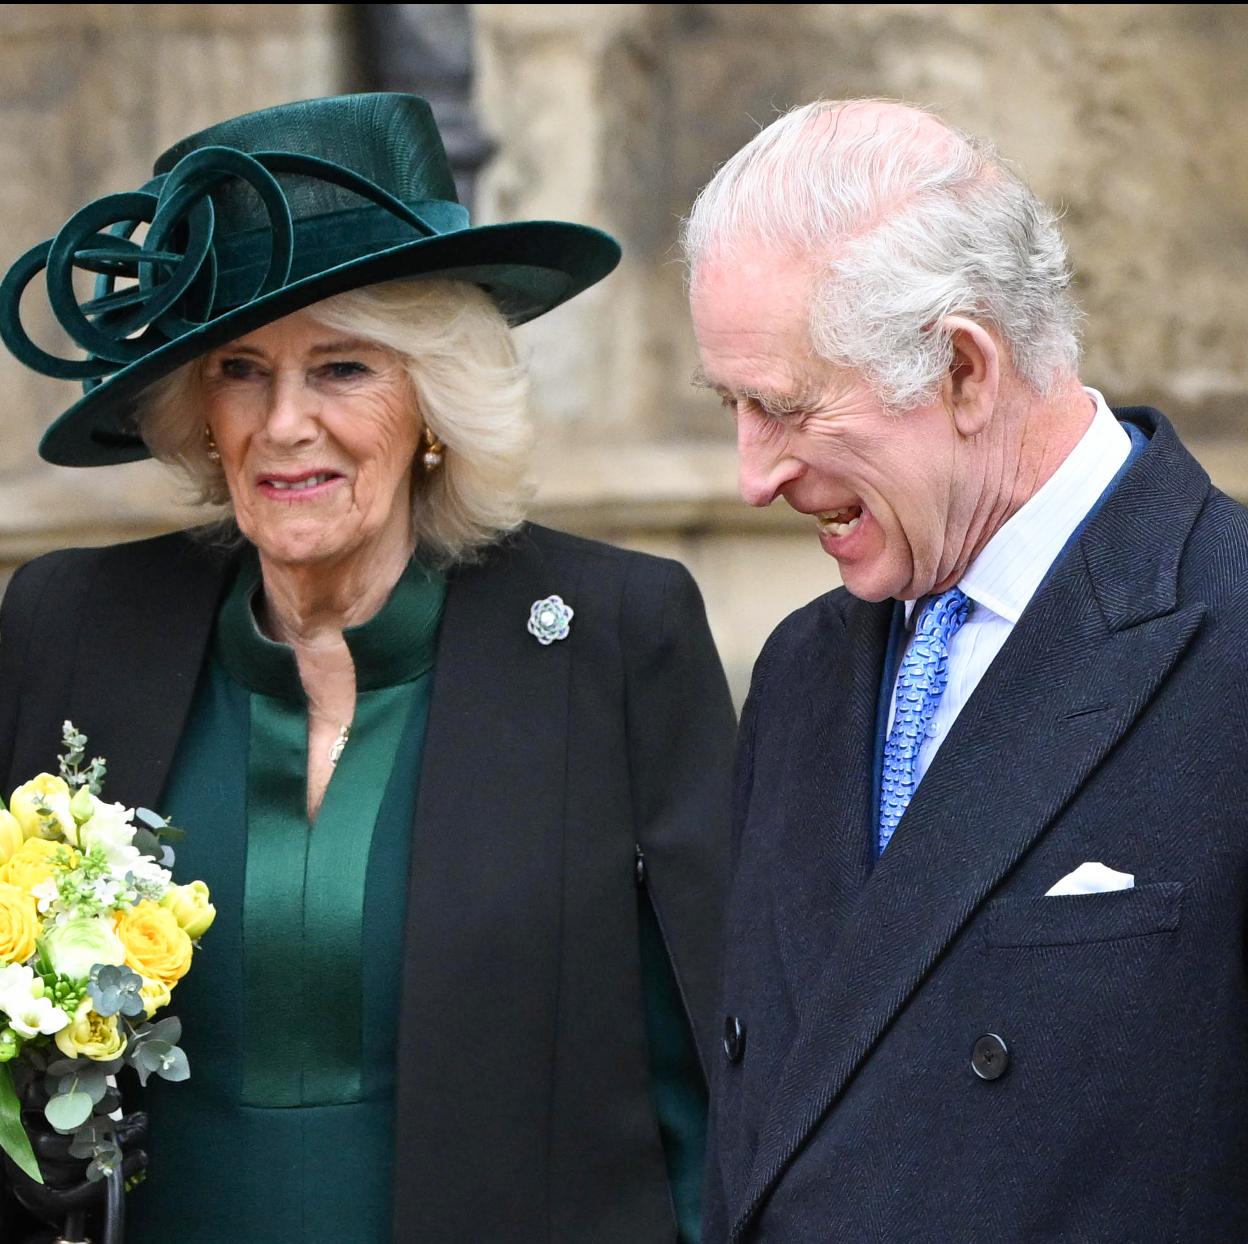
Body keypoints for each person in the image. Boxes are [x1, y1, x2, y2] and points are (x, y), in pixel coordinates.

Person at [0, 93, 734, 1243]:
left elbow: (707, 1074)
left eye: (342, 368)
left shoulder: (616, 634)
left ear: (433, 404)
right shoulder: (72, 624)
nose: (286, 421)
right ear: (199, 414)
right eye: (243, 370)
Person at [683, 98, 1248, 1243]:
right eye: (731, 406)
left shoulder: (1231, 631)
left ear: (964, 369)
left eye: (785, 407)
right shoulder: (799, 667)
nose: (750, 475)